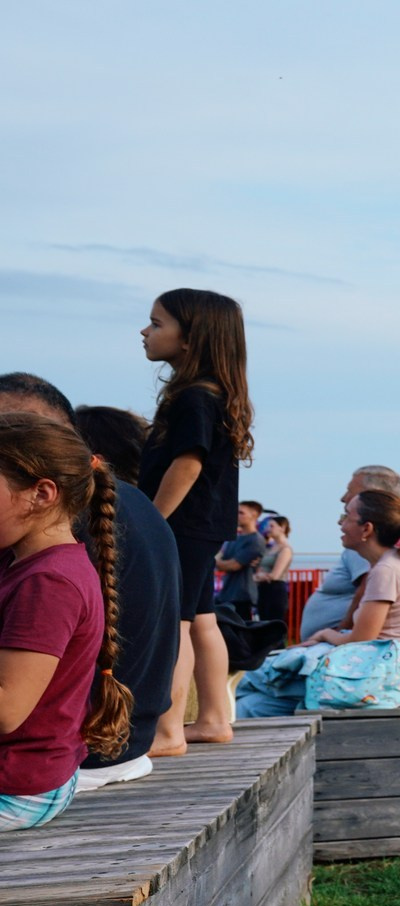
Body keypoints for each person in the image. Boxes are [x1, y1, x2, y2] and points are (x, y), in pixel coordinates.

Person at [0, 383, 177, 778]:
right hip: (121, 741)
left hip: (56, 764)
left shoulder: (46, 571)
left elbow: (9, 707)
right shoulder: (126, 507)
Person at [0, 414, 130, 830]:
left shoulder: (48, 583)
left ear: (41, 493)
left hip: (18, 785)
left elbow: (7, 709)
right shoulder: (25, 562)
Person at [137, 287, 254, 746]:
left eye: (157, 323)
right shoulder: (216, 394)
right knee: (202, 619)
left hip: (181, 525)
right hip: (204, 525)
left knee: (176, 623)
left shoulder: (193, 398)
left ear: (190, 339)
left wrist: (152, 521)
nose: (145, 331)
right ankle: (213, 719)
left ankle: (167, 730)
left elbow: (187, 463)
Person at [303, 492, 400, 687]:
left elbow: (361, 639)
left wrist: (325, 634)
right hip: (387, 673)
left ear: (366, 529)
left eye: (347, 516)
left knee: (258, 694)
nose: (341, 523)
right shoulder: (391, 564)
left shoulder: (387, 570)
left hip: (386, 680)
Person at [299, 467, 400, 640]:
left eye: (350, 491)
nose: (343, 498)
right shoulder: (389, 560)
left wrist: (330, 634)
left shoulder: (380, 563)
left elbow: (362, 635)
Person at [213, 499, 267, 617]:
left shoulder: (255, 540)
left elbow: (233, 565)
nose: (237, 516)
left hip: (243, 596)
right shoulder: (234, 538)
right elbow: (221, 558)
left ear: (254, 515)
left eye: (241, 513)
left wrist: (213, 562)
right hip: (227, 594)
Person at [254, 512, 292, 627]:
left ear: (282, 528)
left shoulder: (285, 549)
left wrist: (258, 576)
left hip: (275, 591)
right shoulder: (269, 548)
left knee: (274, 625)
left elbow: (275, 575)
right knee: (263, 624)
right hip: (264, 589)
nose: (268, 529)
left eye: (272, 526)